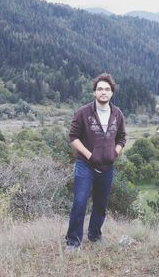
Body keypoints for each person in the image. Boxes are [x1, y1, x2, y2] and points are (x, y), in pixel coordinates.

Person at [65, 73, 126, 250]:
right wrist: (89, 155)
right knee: (80, 202)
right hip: (86, 165)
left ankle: (94, 236)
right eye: (100, 89)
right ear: (94, 92)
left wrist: (115, 152)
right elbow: (73, 137)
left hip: (107, 167)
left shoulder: (117, 114)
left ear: (112, 93)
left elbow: (122, 137)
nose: (103, 92)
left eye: (107, 89)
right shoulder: (83, 113)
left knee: (101, 204)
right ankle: (73, 242)